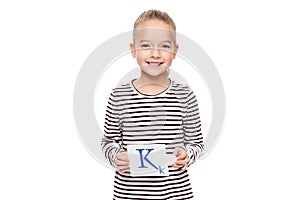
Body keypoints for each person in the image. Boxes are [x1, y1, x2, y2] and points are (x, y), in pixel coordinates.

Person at [101, 9, 204, 200]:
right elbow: (108, 142)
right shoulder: (119, 96)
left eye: (164, 46)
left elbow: (196, 143)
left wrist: (187, 154)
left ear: (175, 51)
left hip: (176, 194)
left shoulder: (185, 96)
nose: (155, 54)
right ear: (133, 50)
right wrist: (116, 156)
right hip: (129, 195)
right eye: (146, 45)